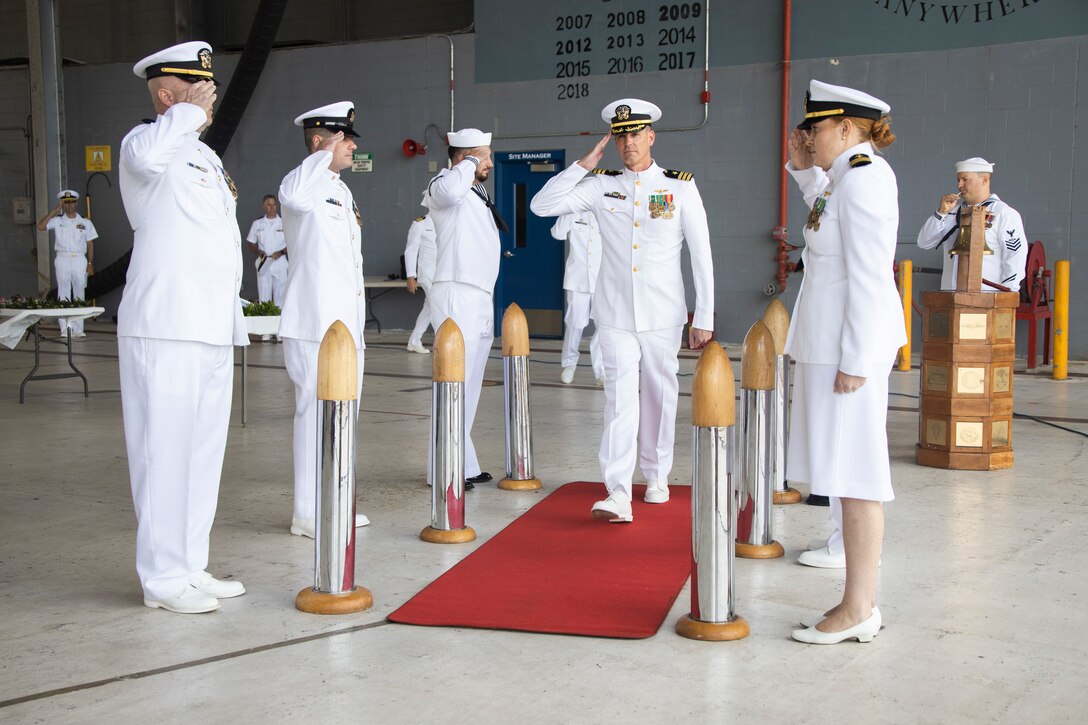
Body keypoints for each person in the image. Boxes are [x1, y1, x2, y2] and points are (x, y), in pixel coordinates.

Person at [530, 98, 714, 523]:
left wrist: (703, 315)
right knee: (618, 400)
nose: (628, 143)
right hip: (614, 313)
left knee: (660, 395)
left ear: (651, 137)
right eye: (620, 136)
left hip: (663, 313)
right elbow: (542, 206)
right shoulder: (600, 185)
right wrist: (581, 166)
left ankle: (656, 475)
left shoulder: (679, 186)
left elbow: (701, 254)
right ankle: (617, 490)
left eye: (635, 134)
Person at [117, 41, 247, 614]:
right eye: (198, 89)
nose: (209, 99)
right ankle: (162, 579)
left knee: (200, 456)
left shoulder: (204, 157)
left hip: (211, 324)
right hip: (166, 323)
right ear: (167, 95)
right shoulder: (143, 142)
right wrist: (185, 113)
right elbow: (148, 160)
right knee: (163, 455)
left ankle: (190, 565)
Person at [784, 79, 906, 644]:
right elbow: (826, 221)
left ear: (847, 127)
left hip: (847, 350)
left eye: (816, 127)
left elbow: (870, 277)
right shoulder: (843, 178)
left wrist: (856, 359)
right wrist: (802, 168)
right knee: (843, 473)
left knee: (858, 476)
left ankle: (859, 608)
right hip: (831, 345)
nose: (808, 136)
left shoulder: (864, 179)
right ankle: (856, 602)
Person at [278, 101, 370, 538]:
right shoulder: (300, 183)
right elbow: (293, 198)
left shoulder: (341, 190)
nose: (352, 146)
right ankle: (308, 512)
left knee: (345, 414)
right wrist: (319, 154)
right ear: (320, 140)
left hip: (345, 322)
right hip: (314, 321)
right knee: (315, 415)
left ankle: (336, 502)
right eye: (344, 138)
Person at [422, 128, 506, 490]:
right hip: (456, 293)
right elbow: (449, 190)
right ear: (463, 158)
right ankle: (442, 467)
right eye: (483, 156)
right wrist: (469, 162)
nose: (489, 163)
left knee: (469, 386)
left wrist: (471, 163)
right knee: (452, 382)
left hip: (478, 295)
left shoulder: (473, 191)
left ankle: (463, 462)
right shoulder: (444, 186)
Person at [916, 157, 1028, 292]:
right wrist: (941, 213)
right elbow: (924, 242)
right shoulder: (951, 213)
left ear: (984, 180)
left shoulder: (1003, 213)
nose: (959, 185)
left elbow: (1015, 254)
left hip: (987, 295)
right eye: (958, 180)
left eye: (965, 179)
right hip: (950, 295)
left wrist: (1008, 291)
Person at [551, 210, 604, 386]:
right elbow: (557, 233)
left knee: (604, 326)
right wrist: (567, 209)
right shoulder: (573, 212)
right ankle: (569, 365)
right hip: (577, 279)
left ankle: (601, 370)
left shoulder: (605, 210)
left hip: (602, 279)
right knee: (574, 324)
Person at [36, 189, 98, 337]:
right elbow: (40, 226)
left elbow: (90, 244)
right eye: (66, 203)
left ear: (76, 203)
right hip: (62, 258)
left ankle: (78, 329)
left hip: (79, 259)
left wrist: (90, 264)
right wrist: (53, 212)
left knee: (79, 293)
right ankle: (65, 328)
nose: (70, 205)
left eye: (72, 202)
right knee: (63, 293)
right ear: (63, 204)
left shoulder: (85, 222)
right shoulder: (57, 221)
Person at [246, 194, 288, 339]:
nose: (272, 207)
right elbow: (250, 242)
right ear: (264, 206)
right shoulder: (258, 224)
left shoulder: (284, 223)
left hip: (280, 263)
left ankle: (279, 331)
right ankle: (266, 331)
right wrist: (258, 251)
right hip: (264, 263)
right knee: (264, 296)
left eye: (274, 204)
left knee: (280, 297)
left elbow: (292, 242)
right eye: (269, 205)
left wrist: (281, 252)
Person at [404, 211, 437, 354]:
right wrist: (411, 276)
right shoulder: (420, 223)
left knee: (429, 309)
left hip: (440, 274)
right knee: (438, 308)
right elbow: (411, 250)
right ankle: (443, 342)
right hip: (428, 274)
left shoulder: (445, 221)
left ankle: (414, 341)